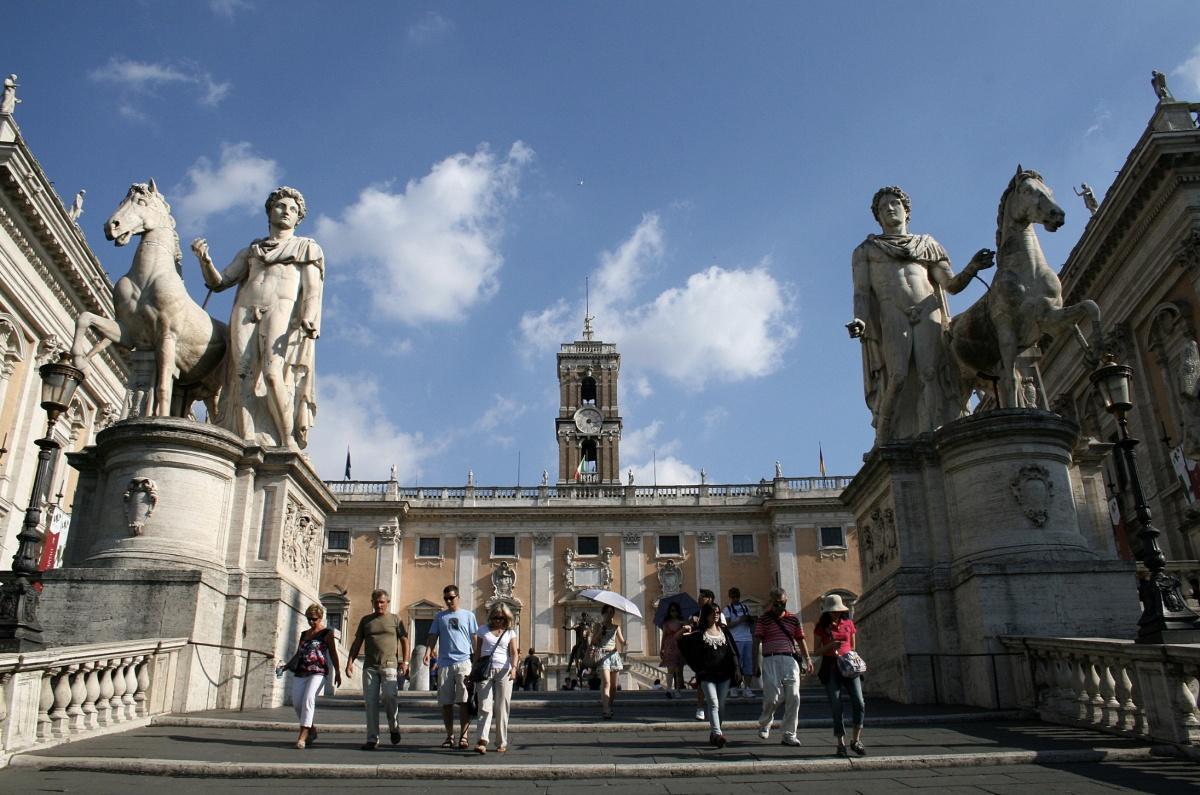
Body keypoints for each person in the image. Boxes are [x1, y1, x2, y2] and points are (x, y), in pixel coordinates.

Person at [847, 186, 994, 445]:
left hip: (928, 310)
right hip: (893, 313)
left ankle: (932, 431)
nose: (890, 209)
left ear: (906, 211)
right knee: (898, 375)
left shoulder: (927, 245)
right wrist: (860, 319)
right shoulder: (867, 250)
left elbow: (951, 285)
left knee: (931, 372)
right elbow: (861, 292)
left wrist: (972, 268)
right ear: (878, 217)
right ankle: (884, 435)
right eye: (883, 207)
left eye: (895, 204)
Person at [191, 186, 324, 450]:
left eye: (293, 209)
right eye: (281, 206)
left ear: (299, 218)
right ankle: (247, 439)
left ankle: (287, 439)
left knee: (273, 374)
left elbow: (312, 290)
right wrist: (204, 260)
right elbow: (219, 283)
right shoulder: (252, 250)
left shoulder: (306, 248)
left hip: (281, 308)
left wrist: (309, 317)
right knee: (241, 375)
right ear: (269, 211)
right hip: (245, 307)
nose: (286, 212)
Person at [345, 589, 409, 750]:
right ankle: (372, 738)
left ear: (387, 603)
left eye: (382, 602)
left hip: (389, 665)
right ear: (372, 603)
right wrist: (350, 662)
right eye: (376, 602)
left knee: (389, 697)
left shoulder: (395, 619)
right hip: (370, 667)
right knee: (371, 703)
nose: (379, 605)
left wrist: (405, 662)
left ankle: (394, 727)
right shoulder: (366, 620)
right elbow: (357, 642)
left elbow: (404, 640)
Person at [752, 587, 811, 747]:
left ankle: (789, 733)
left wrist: (808, 659)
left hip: (790, 660)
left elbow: (800, 639)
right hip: (770, 660)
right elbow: (756, 642)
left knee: (794, 697)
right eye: (777, 604)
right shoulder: (763, 619)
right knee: (772, 697)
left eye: (783, 604)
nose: (779, 607)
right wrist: (755, 664)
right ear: (771, 602)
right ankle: (765, 722)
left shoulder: (793, 620)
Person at [677, 603, 742, 748]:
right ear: (706, 615)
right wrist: (684, 629)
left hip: (724, 673)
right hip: (706, 674)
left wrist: (737, 669)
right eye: (713, 612)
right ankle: (717, 733)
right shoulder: (699, 632)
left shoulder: (724, 630)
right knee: (713, 702)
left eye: (718, 612)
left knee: (722, 705)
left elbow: (733, 651)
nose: (716, 614)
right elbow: (679, 640)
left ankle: (715, 733)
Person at [424, 584, 478, 749]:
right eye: (446, 598)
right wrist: (428, 651)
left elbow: (474, 638)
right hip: (445, 663)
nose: (448, 601)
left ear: (458, 597)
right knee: (446, 702)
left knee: (464, 701)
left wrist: (477, 660)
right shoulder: (440, 617)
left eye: (451, 598)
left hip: (464, 662)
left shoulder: (468, 615)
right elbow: (433, 636)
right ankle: (449, 736)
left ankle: (464, 735)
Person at [813, 594, 866, 758]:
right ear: (827, 612)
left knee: (859, 702)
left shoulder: (848, 624)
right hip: (830, 667)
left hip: (849, 666)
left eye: (837, 611)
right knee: (836, 705)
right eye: (832, 611)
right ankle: (840, 743)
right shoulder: (821, 627)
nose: (835, 614)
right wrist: (830, 646)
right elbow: (816, 651)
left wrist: (846, 654)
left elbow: (853, 646)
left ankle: (856, 740)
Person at [286, 603, 341, 749]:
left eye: (314, 619)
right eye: (309, 618)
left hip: (318, 671)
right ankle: (312, 729)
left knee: (308, 699)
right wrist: (286, 665)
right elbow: (299, 653)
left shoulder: (327, 633)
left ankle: (302, 736)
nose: (311, 621)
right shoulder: (304, 634)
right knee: (297, 703)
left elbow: (333, 653)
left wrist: (338, 672)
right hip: (302, 671)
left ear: (321, 617)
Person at [471, 604, 519, 754]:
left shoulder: (510, 632)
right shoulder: (482, 630)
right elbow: (477, 653)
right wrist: (473, 671)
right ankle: (482, 740)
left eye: (501, 618)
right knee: (484, 706)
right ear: (490, 616)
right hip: (485, 670)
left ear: (506, 618)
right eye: (495, 617)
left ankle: (501, 741)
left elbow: (514, 653)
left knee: (502, 707)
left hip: (504, 671)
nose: (497, 620)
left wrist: (514, 669)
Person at [682, 590, 726, 720]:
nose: (699, 599)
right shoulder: (696, 613)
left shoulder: (718, 611)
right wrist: (691, 623)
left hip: (718, 651)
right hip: (702, 652)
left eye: (701, 597)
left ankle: (715, 707)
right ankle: (700, 707)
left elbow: (723, 628)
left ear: (709, 599)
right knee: (701, 680)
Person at [588, 604, 626, 719]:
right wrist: (601, 631)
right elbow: (593, 641)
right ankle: (606, 709)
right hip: (603, 656)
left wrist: (625, 643)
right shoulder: (598, 626)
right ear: (603, 614)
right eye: (607, 612)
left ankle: (609, 705)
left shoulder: (616, 627)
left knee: (614, 686)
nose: (610, 614)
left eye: (611, 612)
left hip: (614, 655)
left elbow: (622, 640)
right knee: (607, 683)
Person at [724, 587, 756, 697]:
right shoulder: (727, 609)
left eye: (737, 596)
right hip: (735, 639)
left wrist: (750, 619)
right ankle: (734, 687)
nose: (735, 598)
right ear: (730, 597)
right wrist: (739, 620)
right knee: (735, 664)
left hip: (748, 638)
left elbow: (751, 621)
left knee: (748, 664)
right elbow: (727, 625)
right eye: (733, 596)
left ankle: (747, 688)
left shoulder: (745, 607)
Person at [659, 602, 686, 695]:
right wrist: (661, 648)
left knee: (679, 670)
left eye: (674, 610)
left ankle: (678, 690)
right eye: (671, 611)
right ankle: (669, 689)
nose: (673, 612)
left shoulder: (682, 622)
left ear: (678, 611)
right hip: (669, 647)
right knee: (670, 669)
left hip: (679, 646)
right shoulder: (666, 623)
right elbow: (663, 636)